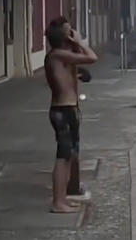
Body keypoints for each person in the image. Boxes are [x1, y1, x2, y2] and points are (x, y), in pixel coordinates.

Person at [44, 20, 97, 213]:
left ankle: (63, 198)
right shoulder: (57, 55)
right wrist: (80, 42)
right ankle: (57, 202)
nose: (74, 32)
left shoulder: (64, 55)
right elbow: (92, 57)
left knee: (68, 156)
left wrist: (74, 43)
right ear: (65, 36)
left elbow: (82, 64)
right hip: (62, 111)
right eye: (70, 31)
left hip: (69, 109)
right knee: (62, 156)